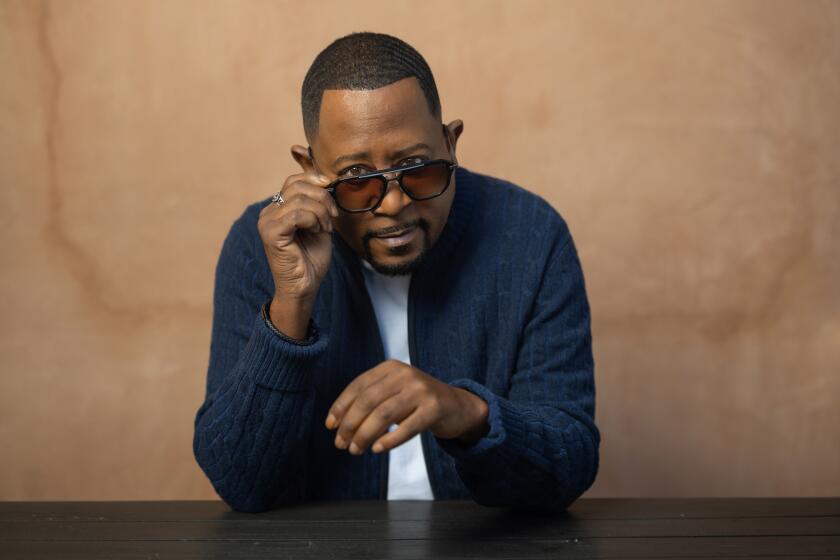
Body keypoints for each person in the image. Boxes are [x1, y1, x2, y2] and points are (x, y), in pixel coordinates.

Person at [193, 32, 599, 513]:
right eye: (357, 180)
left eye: (417, 168)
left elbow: (569, 463)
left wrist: (466, 413)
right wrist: (291, 306)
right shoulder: (260, 245)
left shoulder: (531, 235)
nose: (393, 204)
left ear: (451, 142)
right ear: (309, 168)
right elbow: (240, 482)